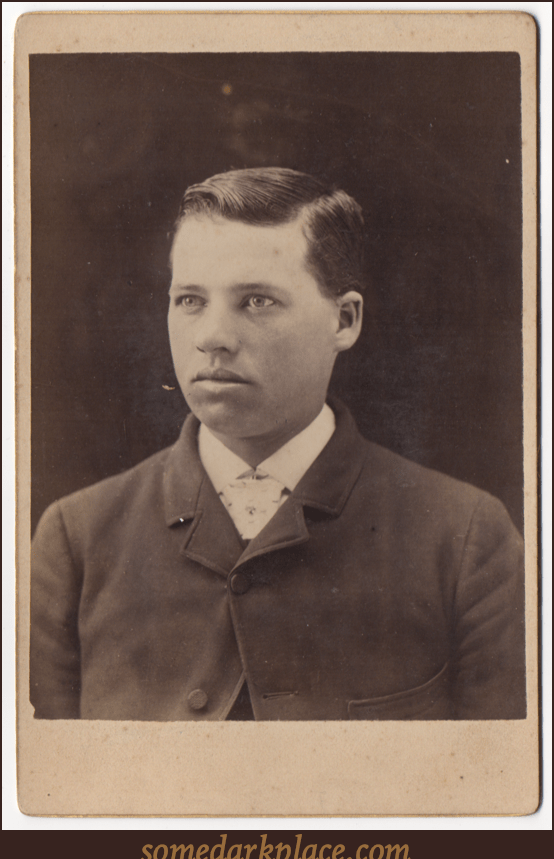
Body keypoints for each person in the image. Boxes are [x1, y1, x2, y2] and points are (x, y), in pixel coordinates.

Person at [30, 167, 526, 721]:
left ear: (344, 319)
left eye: (257, 301)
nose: (212, 336)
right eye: (190, 300)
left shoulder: (465, 539)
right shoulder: (75, 540)